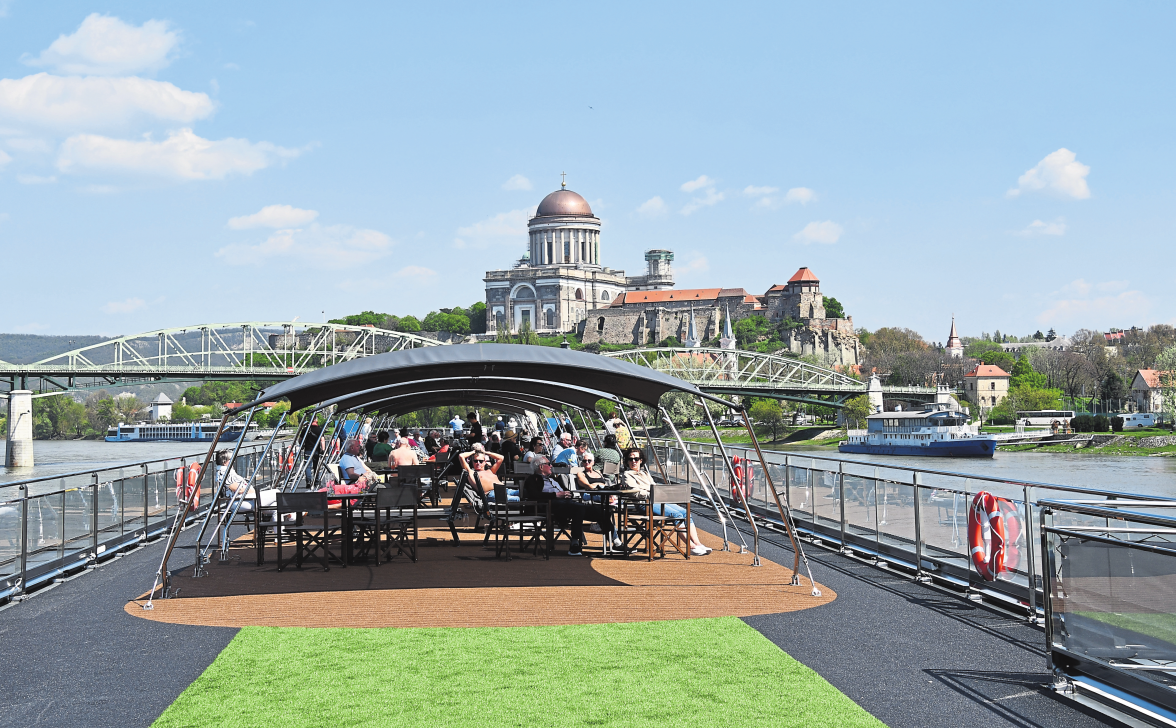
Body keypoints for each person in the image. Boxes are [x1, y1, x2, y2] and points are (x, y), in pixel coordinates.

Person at [620, 448, 711, 556]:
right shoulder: (627, 475)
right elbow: (634, 492)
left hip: (657, 500)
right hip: (645, 504)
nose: (633, 461)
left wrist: (659, 493)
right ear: (627, 461)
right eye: (631, 459)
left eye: (636, 458)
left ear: (641, 460)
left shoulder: (645, 473)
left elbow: (654, 486)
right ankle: (690, 546)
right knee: (676, 514)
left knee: (686, 513)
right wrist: (652, 493)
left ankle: (697, 543)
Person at [523, 456, 616, 556]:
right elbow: (534, 495)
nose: (551, 466)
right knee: (578, 509)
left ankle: (616, 542)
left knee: (599, 511)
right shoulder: (532, 479)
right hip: (550, 505)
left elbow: (565, 490)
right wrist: (556, 495)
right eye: (549, 464)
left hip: (566, 503)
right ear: (541, 467)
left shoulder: (553, 479)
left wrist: (568, 494)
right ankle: (574, 544)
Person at [301, 417, 326, 487]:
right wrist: (323, 450)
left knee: (307, 466)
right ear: (316, 421)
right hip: (316, 451)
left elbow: (300, 440)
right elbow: (322, 440)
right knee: (316, 466)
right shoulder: (319, 430)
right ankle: (316, 481)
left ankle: (308, 481)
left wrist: (302, 445)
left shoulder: (305, 429)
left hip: (308, 450)